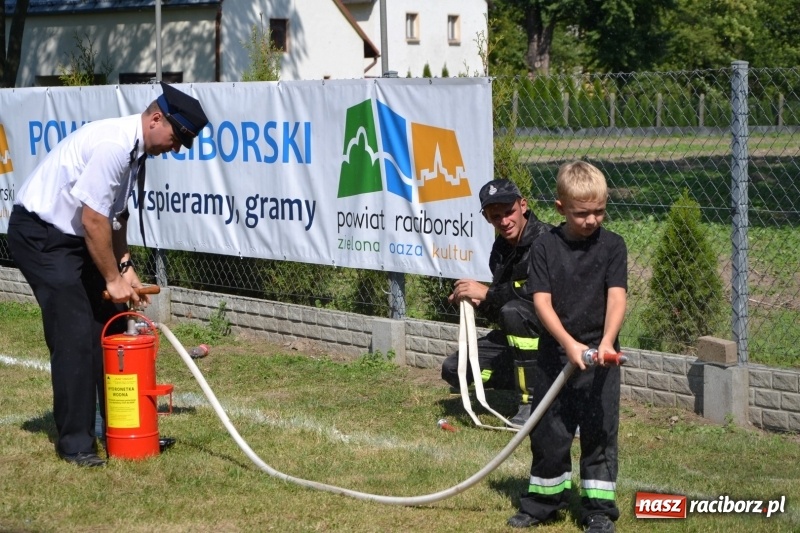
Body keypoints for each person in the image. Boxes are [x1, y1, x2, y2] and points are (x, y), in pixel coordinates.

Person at [7, 82, 208, 467]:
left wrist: (126, 268)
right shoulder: (114, 146)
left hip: (76, 236)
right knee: (76, 332)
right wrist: (112, 280)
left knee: (112, 328)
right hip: (42, 235)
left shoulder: (135, 151)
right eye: (177, 137)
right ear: (156, 119)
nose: (177, 148)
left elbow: (116, 217)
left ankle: (123, 430)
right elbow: (93, 219)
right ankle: (76, 445)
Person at [507, 161, 627, 532]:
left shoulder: (613, 246)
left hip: (600, 360)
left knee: (599, 433)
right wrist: (568, 344)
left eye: (599, 212)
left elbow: (617, 297)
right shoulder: (545, 246)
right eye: (582, 213)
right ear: (561, 208)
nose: (592, 220)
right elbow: (541, 302)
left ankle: (598, 510)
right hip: (556, 356)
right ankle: (543, 503)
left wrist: (605, 342)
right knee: (549, 432)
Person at [441, 178, 552, 425]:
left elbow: (536, 295)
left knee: (514, 311)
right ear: (486, 218)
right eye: (495, 216)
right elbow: (503, 313)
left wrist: (488, 293)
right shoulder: (500, 248)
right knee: (454, 369)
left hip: (554, 339)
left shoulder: (547, 241)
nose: (504, 221)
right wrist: (478, 303)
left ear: (523, 206)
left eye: (509, 212)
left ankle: (532, 401)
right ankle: (536, 382)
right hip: (519, 337)